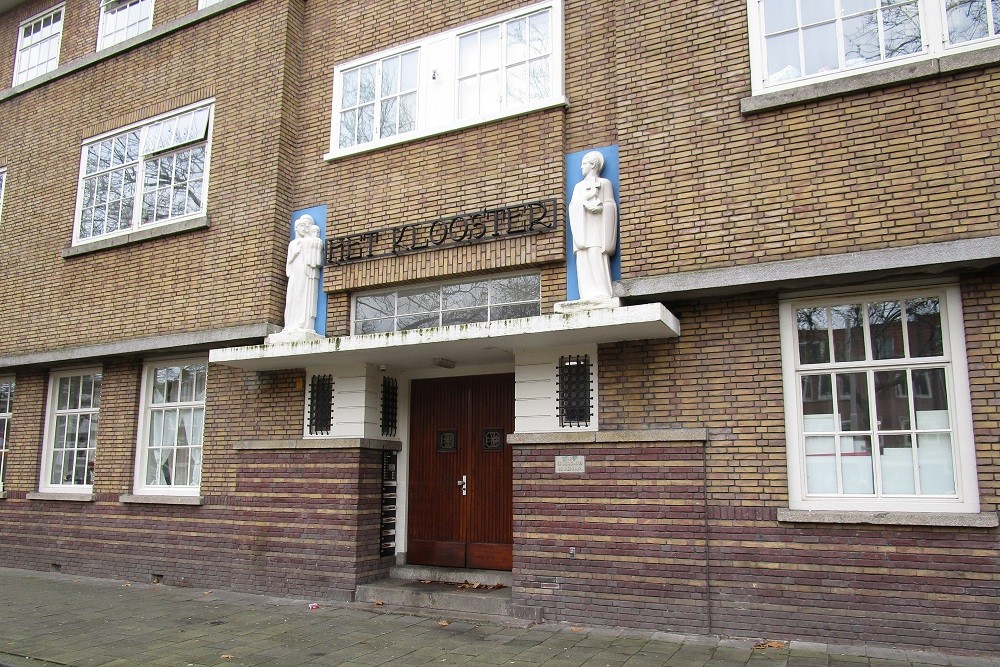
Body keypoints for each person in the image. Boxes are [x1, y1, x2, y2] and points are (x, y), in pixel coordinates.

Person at [568, 151, 617, 301]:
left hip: (597, 227)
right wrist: (584, 203)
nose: (581, 167)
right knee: (583, 258)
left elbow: (610, 204)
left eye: (584, 163)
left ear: (593, 164)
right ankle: (587, 293)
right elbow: (573, 206)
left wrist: (601, 207)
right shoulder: (578, 187)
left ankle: (602, 291)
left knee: (596, 255)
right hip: (583, 228)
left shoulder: (604, 183)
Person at [280, 215, 324, 335]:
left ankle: (302, 323)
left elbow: (314, 261)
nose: (304, 229)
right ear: (296, 228)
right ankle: (290, 325)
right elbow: (288, 264)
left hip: (305, 275)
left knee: (304, 296)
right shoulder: (292, 244)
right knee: (291, 298)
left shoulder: (310, 241)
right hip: (295, 274)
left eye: (306, 226)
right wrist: (294, 254)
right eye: (301, 226)